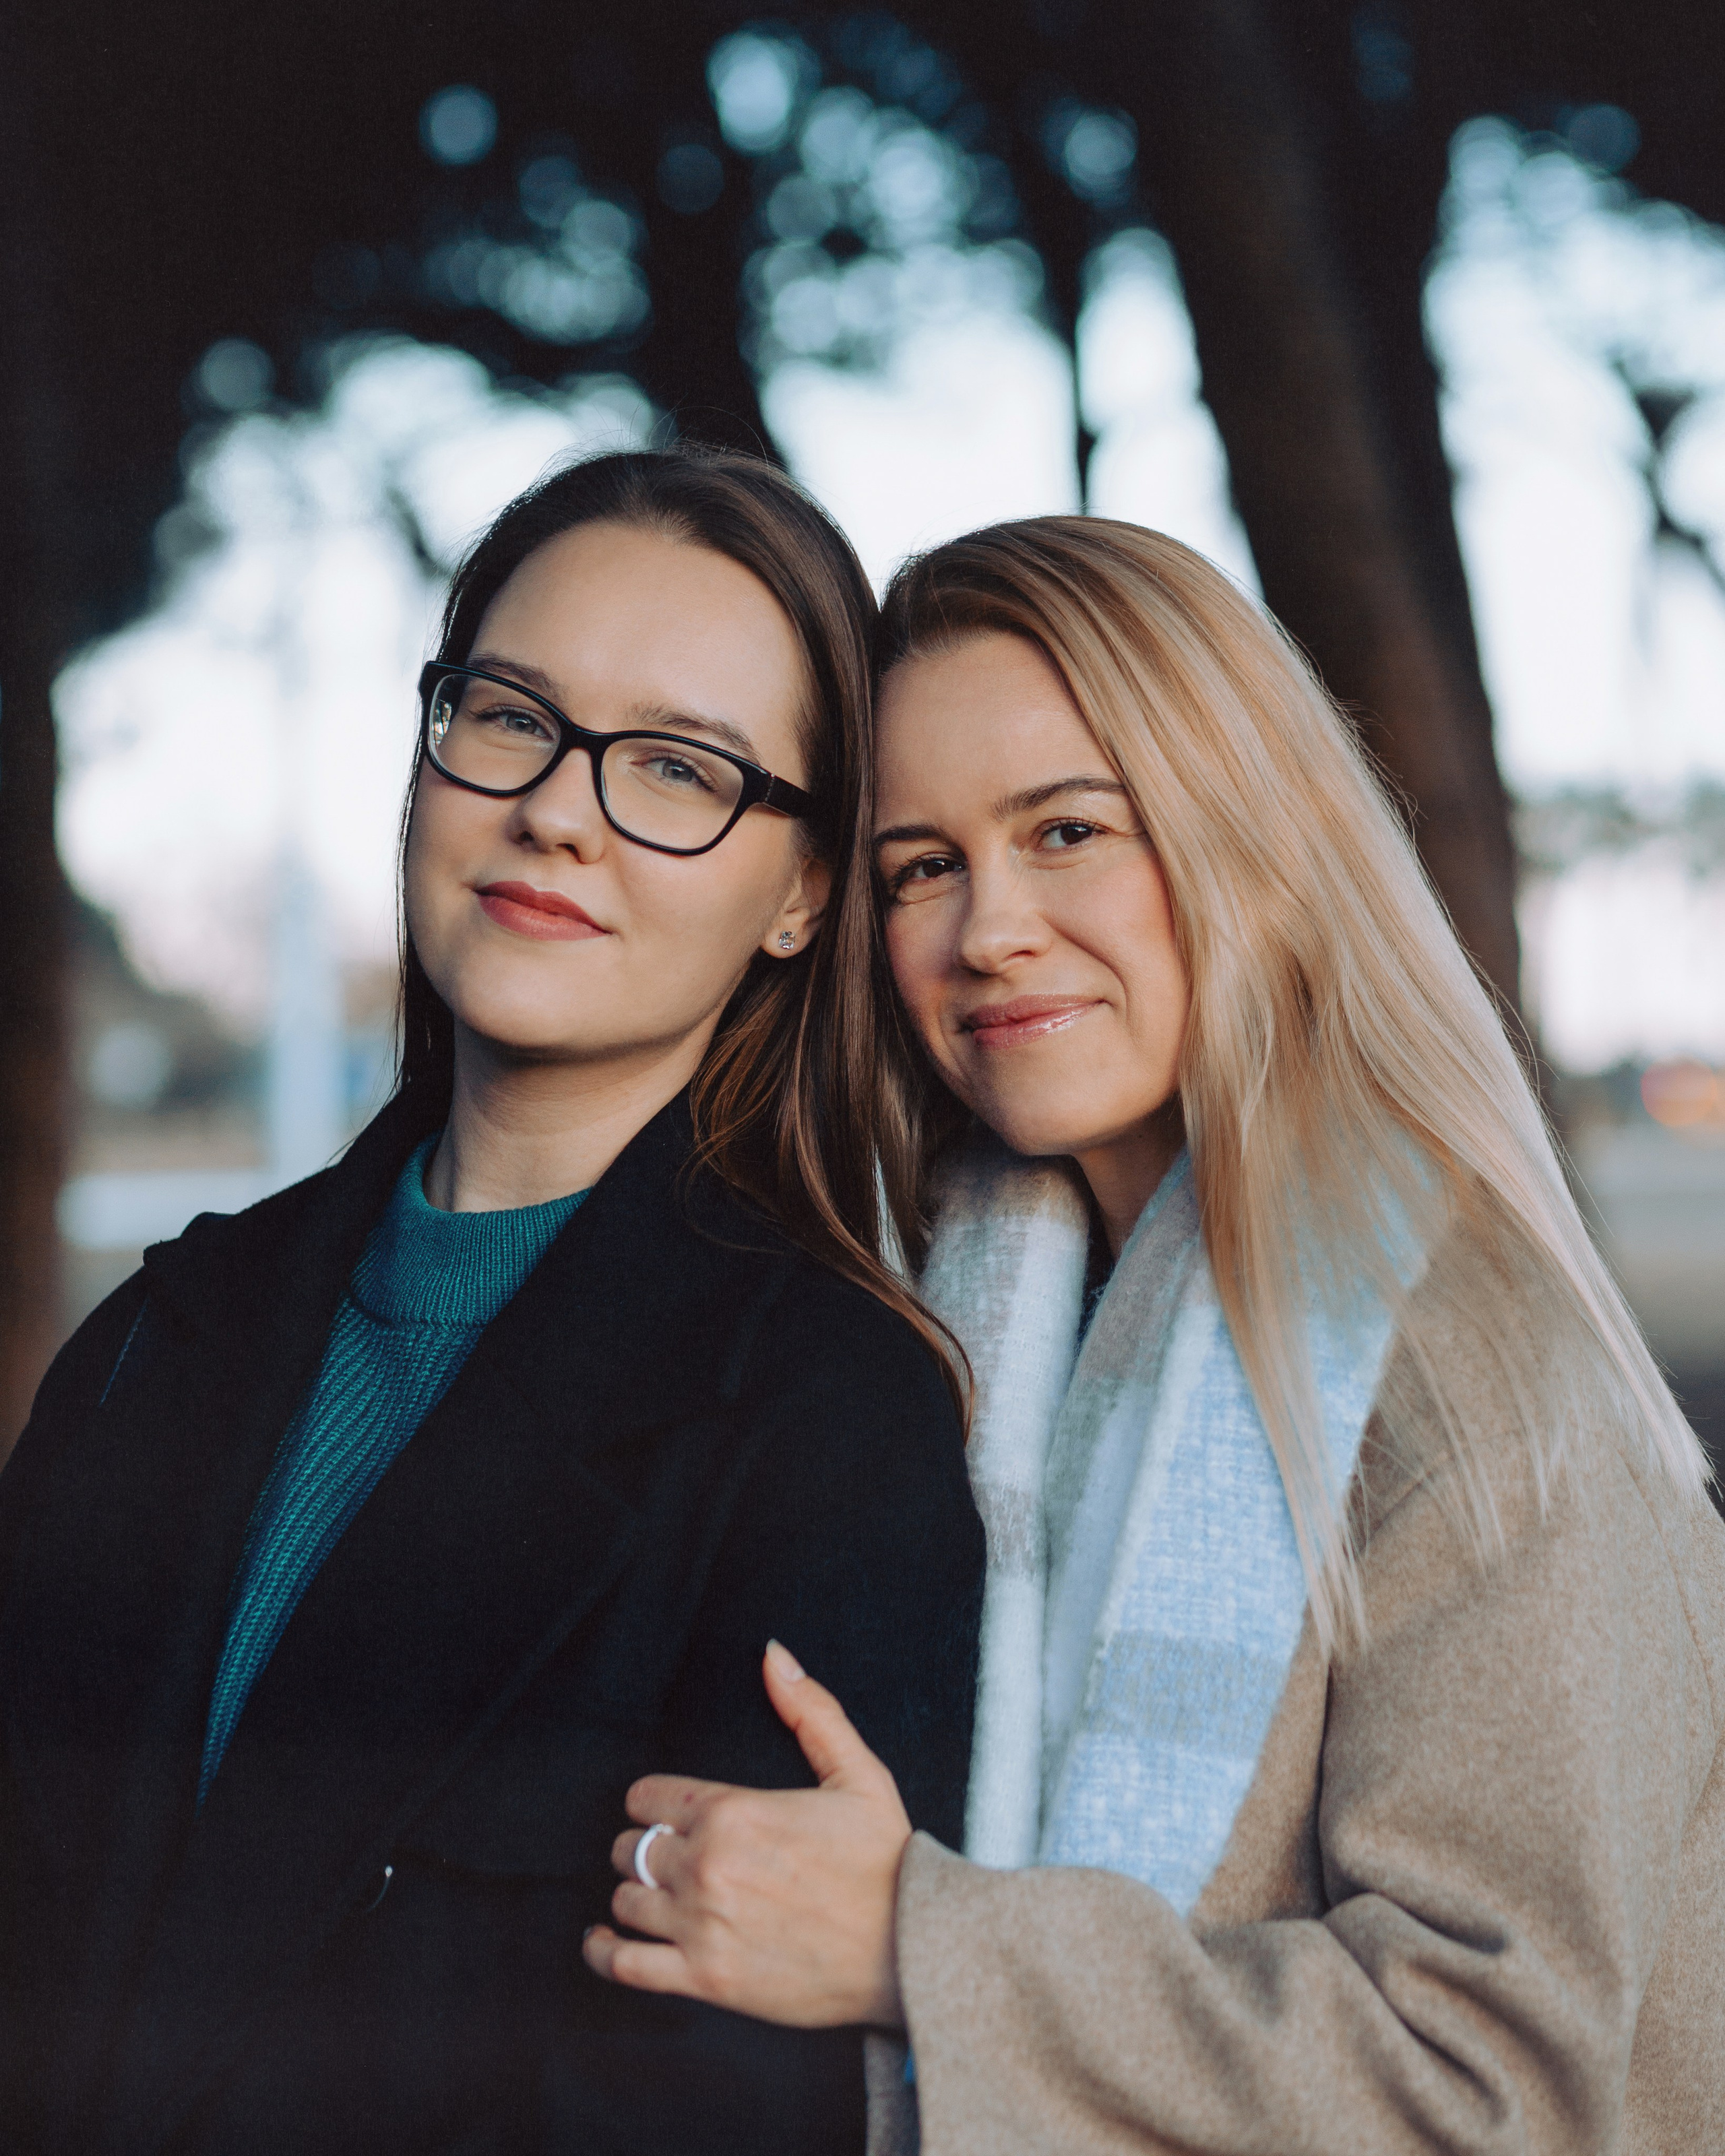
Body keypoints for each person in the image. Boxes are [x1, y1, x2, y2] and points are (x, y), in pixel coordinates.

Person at [584, 515, 1725, 2154]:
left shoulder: (1462, 1362)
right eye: (922, 865)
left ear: (1244, 838)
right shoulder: (962, 1323)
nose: (988, 928)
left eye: (1064, 830)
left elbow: (1491, 2083)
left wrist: (915, 1941)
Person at [0, 449, 985, 2156]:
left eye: (677, 768)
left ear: (804, 891)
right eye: (511, 714)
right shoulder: (161, 1337)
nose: (557, 808)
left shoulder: (827, 1421)